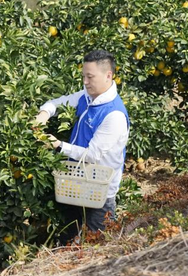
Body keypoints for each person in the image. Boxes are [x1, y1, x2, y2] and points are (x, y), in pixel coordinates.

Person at [34, 49, 130, 242]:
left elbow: (92, 155)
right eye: (84, 76)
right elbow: (58, 103)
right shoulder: (87, 96)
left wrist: (58, 145)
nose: (85, 82)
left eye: (90, 77)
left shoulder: (114, 115)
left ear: (108, 75)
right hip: (75, 184)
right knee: (68, 244)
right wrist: (43, 114)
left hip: (99, 194)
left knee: (96, 249)